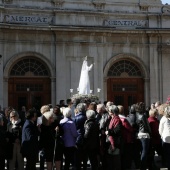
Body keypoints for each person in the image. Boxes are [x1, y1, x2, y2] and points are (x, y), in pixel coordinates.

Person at [135, 102, 151, 170]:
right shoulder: (143, 116)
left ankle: (142, 166)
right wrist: (150, 132)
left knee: (142, 151)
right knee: (144, 151)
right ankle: (143, 166)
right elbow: (146, 126)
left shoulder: (137, 115)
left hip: (139, 133)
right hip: (144, 134)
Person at [105, 105, 122, 170]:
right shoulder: (112, 119)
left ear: (112, 112)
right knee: (112, 161)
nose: (108, 112)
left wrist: (108, 132)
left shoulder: (117, 119)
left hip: (115, 143)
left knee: (116, 161)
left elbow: (117, 130)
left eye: (109, 111)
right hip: (111, 142)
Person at [118, 105, 134, 170]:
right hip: (126, 138)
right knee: (126, 154)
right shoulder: (123, 119)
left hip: (121, 138)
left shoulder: (116, 118)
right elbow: (129, 129)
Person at [74, 103, 87, 170]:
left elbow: (74, 129)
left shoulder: (76, 118)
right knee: (85, 156)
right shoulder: (87, 117)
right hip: (85, 138)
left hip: (78, 139)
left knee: (78, 157)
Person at [159, 106, 170, 170]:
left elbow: (160, 129)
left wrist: (162, 136)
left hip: (166, 138)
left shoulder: (163, 118)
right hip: (166, 138)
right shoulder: (164, 119)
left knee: (167, 154)